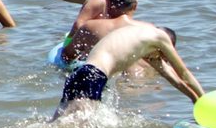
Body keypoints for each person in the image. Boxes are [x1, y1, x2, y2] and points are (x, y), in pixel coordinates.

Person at [55, 22, 202, 119]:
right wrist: (202, 97)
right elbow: (184, 74)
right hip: (94, 77)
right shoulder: (160, 37)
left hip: (81, 74)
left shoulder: (144, 38)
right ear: (166, 46)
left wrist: (194, 99)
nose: (164, 58)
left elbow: (174, 79)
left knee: (60, 121)